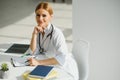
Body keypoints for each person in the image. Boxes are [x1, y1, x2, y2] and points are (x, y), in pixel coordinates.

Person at [26, 2, 79, 80]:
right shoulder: (39, 30)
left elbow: (61, 58)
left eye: (44, 15)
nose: (40, 19)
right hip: (48, 64)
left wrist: (39, 62)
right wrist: (34, 34)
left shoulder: (57, 33)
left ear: (51, 17)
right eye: (38, 15)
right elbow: (32, 52)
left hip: (62, 68)